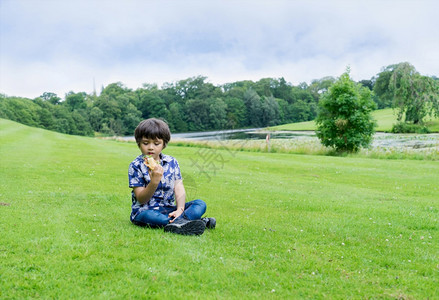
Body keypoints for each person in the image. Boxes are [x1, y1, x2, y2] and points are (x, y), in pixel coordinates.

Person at [128, 118, 216, 235]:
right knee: (151, 217)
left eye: (156, 143)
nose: (150, 147)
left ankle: (179, 222)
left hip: (169, 209)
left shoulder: (172, 162)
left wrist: (180, 209)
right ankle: (195, 222)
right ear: (139, 143)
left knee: (200, 204)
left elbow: (178, 188)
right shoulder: (135, 166)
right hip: (145, 211)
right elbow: (141, 199)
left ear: (164, 144)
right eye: (145, 143)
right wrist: (154, 182)